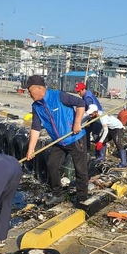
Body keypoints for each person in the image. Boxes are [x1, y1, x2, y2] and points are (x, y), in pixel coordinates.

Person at [25, 75, 88, 205]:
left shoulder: (59, 96)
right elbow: (36, 128)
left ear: (38, 88)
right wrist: (31, 149)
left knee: (80, 170)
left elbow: (81, 103)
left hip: (75, 138)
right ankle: (58, 194)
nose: (28, 93)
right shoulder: (36, 106)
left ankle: (82, 199)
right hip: (59, 142)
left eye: (30, 90)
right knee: (52, 165)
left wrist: (77, 123)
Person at [74, 82, 104, 151]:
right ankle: (87, 149)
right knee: (86, 131)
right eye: (77, 91)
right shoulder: (87, 93)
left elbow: (91, 109)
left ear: (83, 89)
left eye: (79, 91)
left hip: (97, 117)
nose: (78, 93)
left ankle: (99, 154)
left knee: (95, 134)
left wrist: (81, 117)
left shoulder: (87, 97)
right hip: (92, 116)